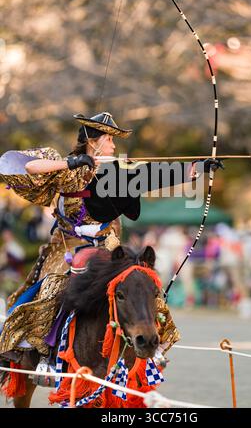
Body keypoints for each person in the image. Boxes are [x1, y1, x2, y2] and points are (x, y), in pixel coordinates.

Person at [0, 111, 221, 370]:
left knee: (141, 282)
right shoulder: (66, 169)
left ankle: (154, 343)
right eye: (110, 140)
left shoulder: (118, 173)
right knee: (53, 288)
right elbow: (30, 167)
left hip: (109, 247)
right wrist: (73, 163)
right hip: (67, 246)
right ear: (93, 141)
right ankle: (43, 353)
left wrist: (197, 168)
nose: (115, 146)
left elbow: (155, 175)